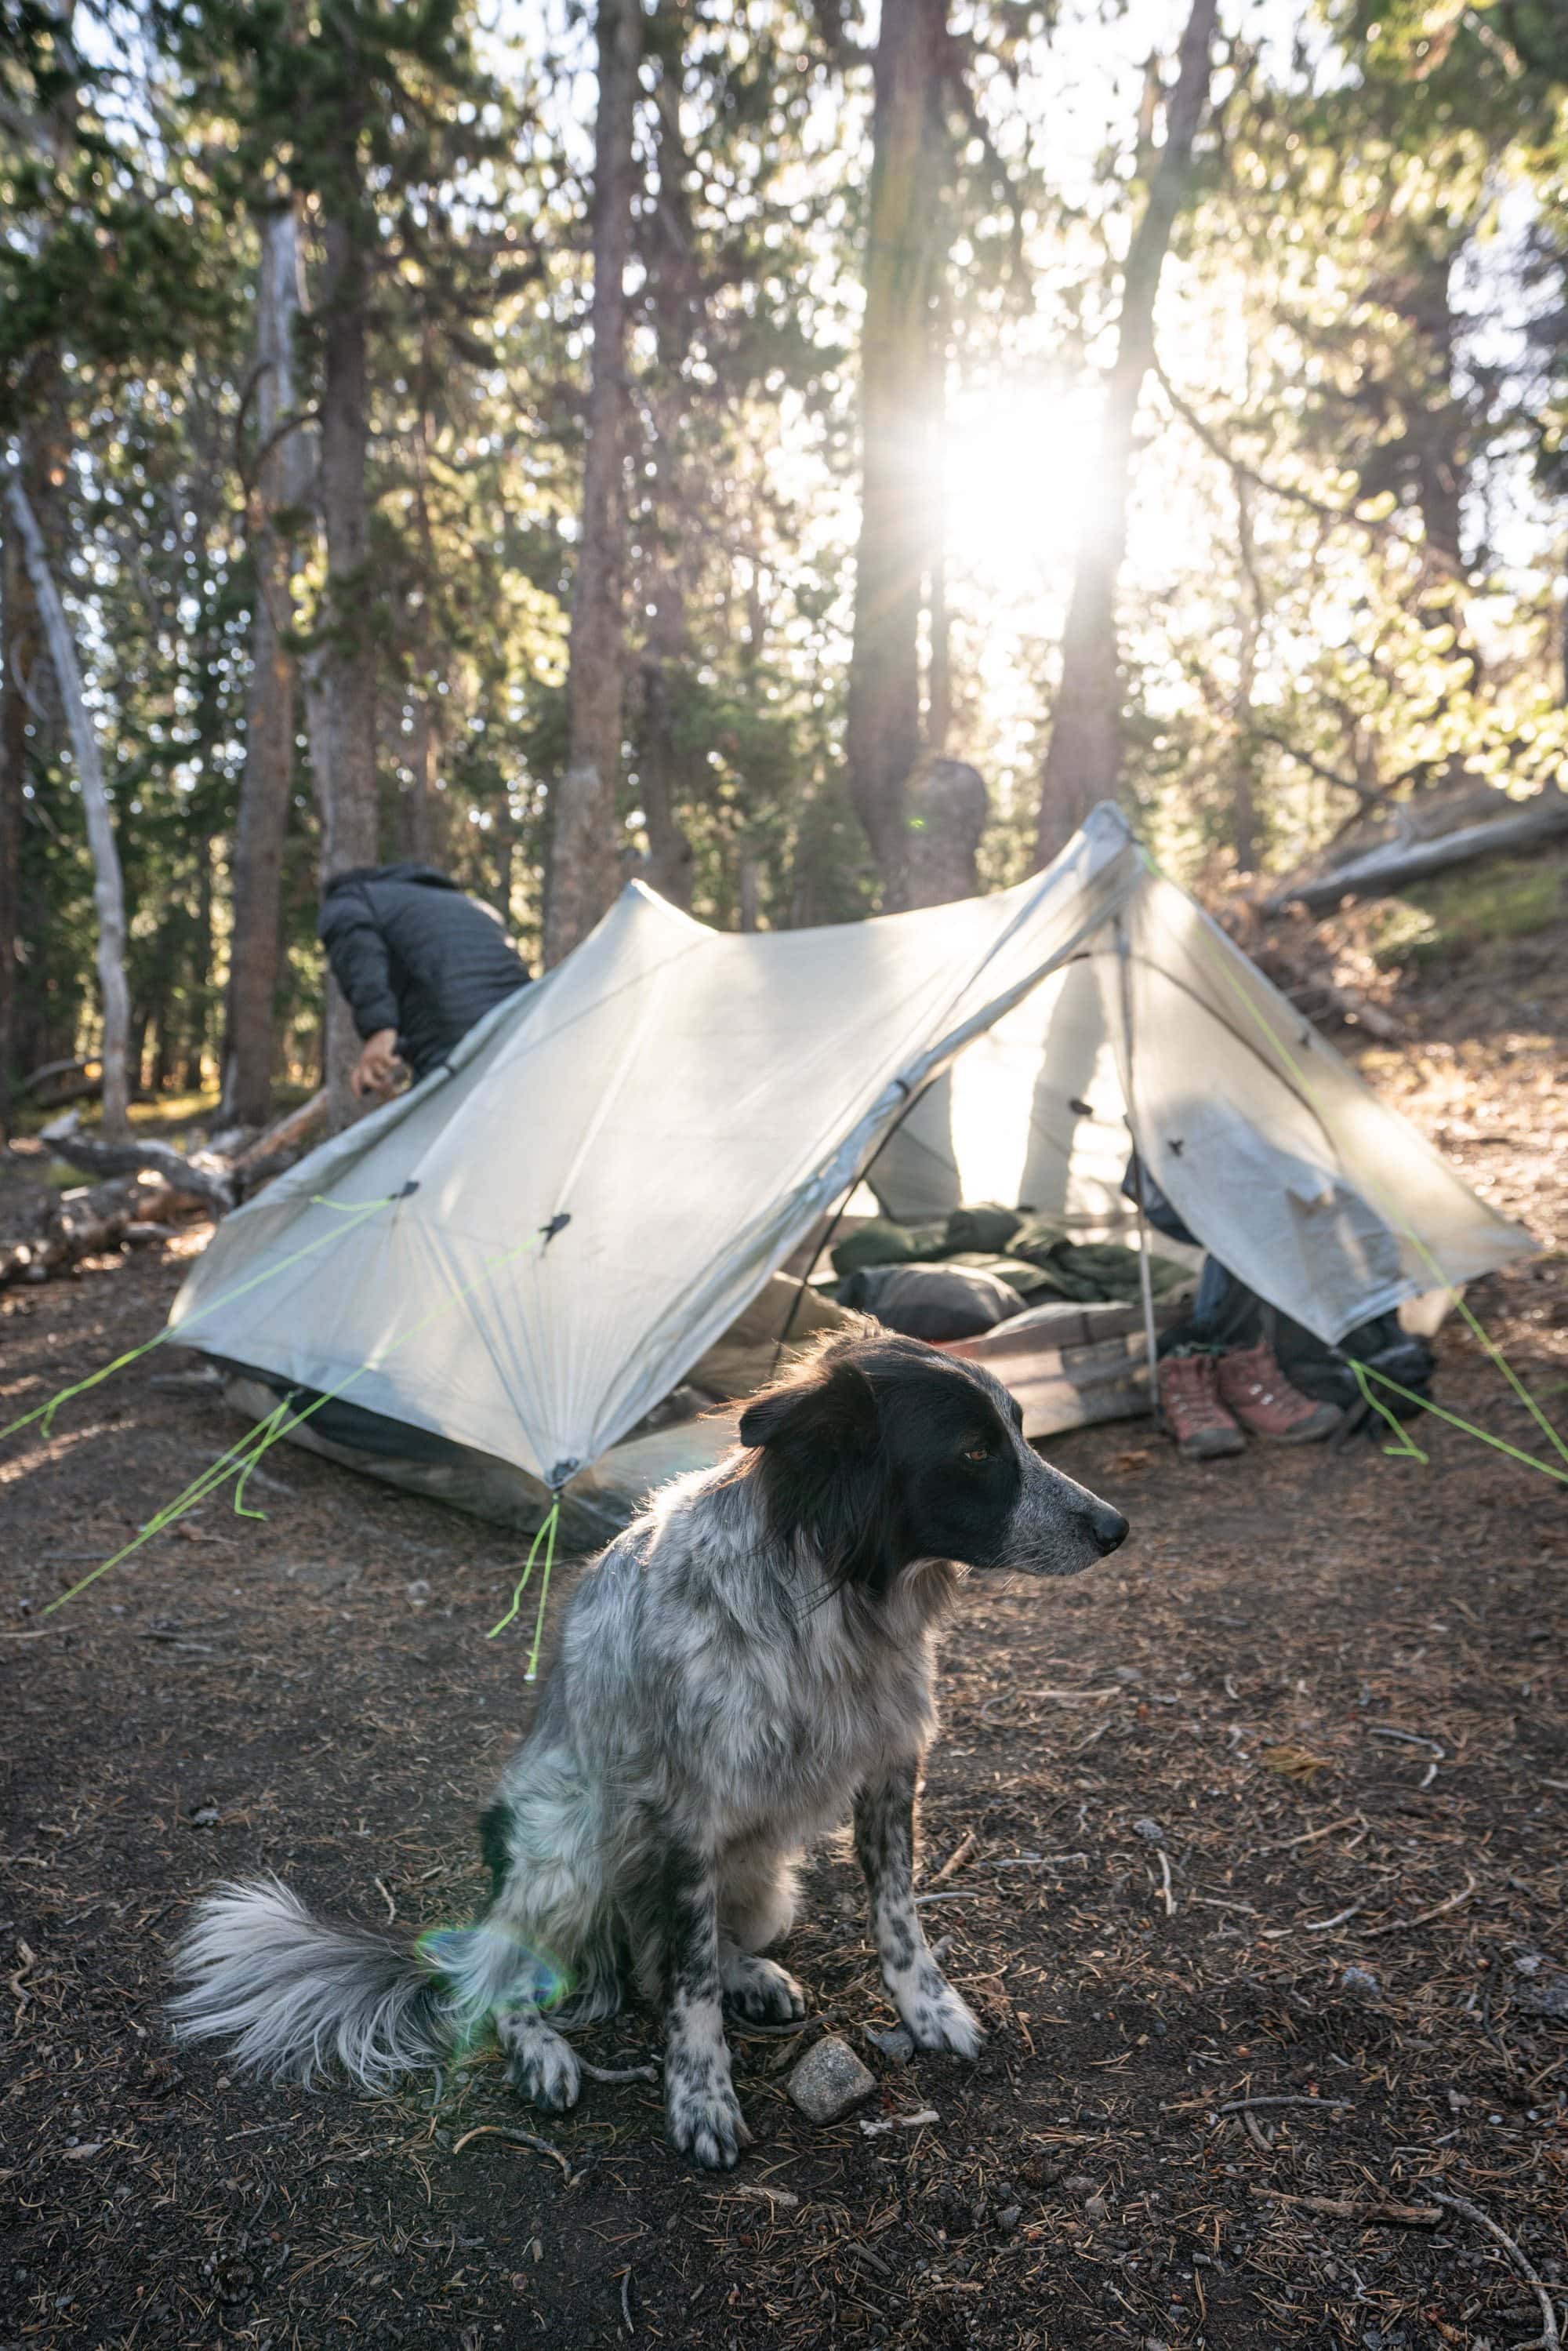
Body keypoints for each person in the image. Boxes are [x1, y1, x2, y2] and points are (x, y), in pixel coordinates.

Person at [319, 862, 532, 1101]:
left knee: (450, 1118)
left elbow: (360, 954)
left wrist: (379, 1030)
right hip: (521, 1023)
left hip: (452, 1028)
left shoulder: (349, 900)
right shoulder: (470, 905)